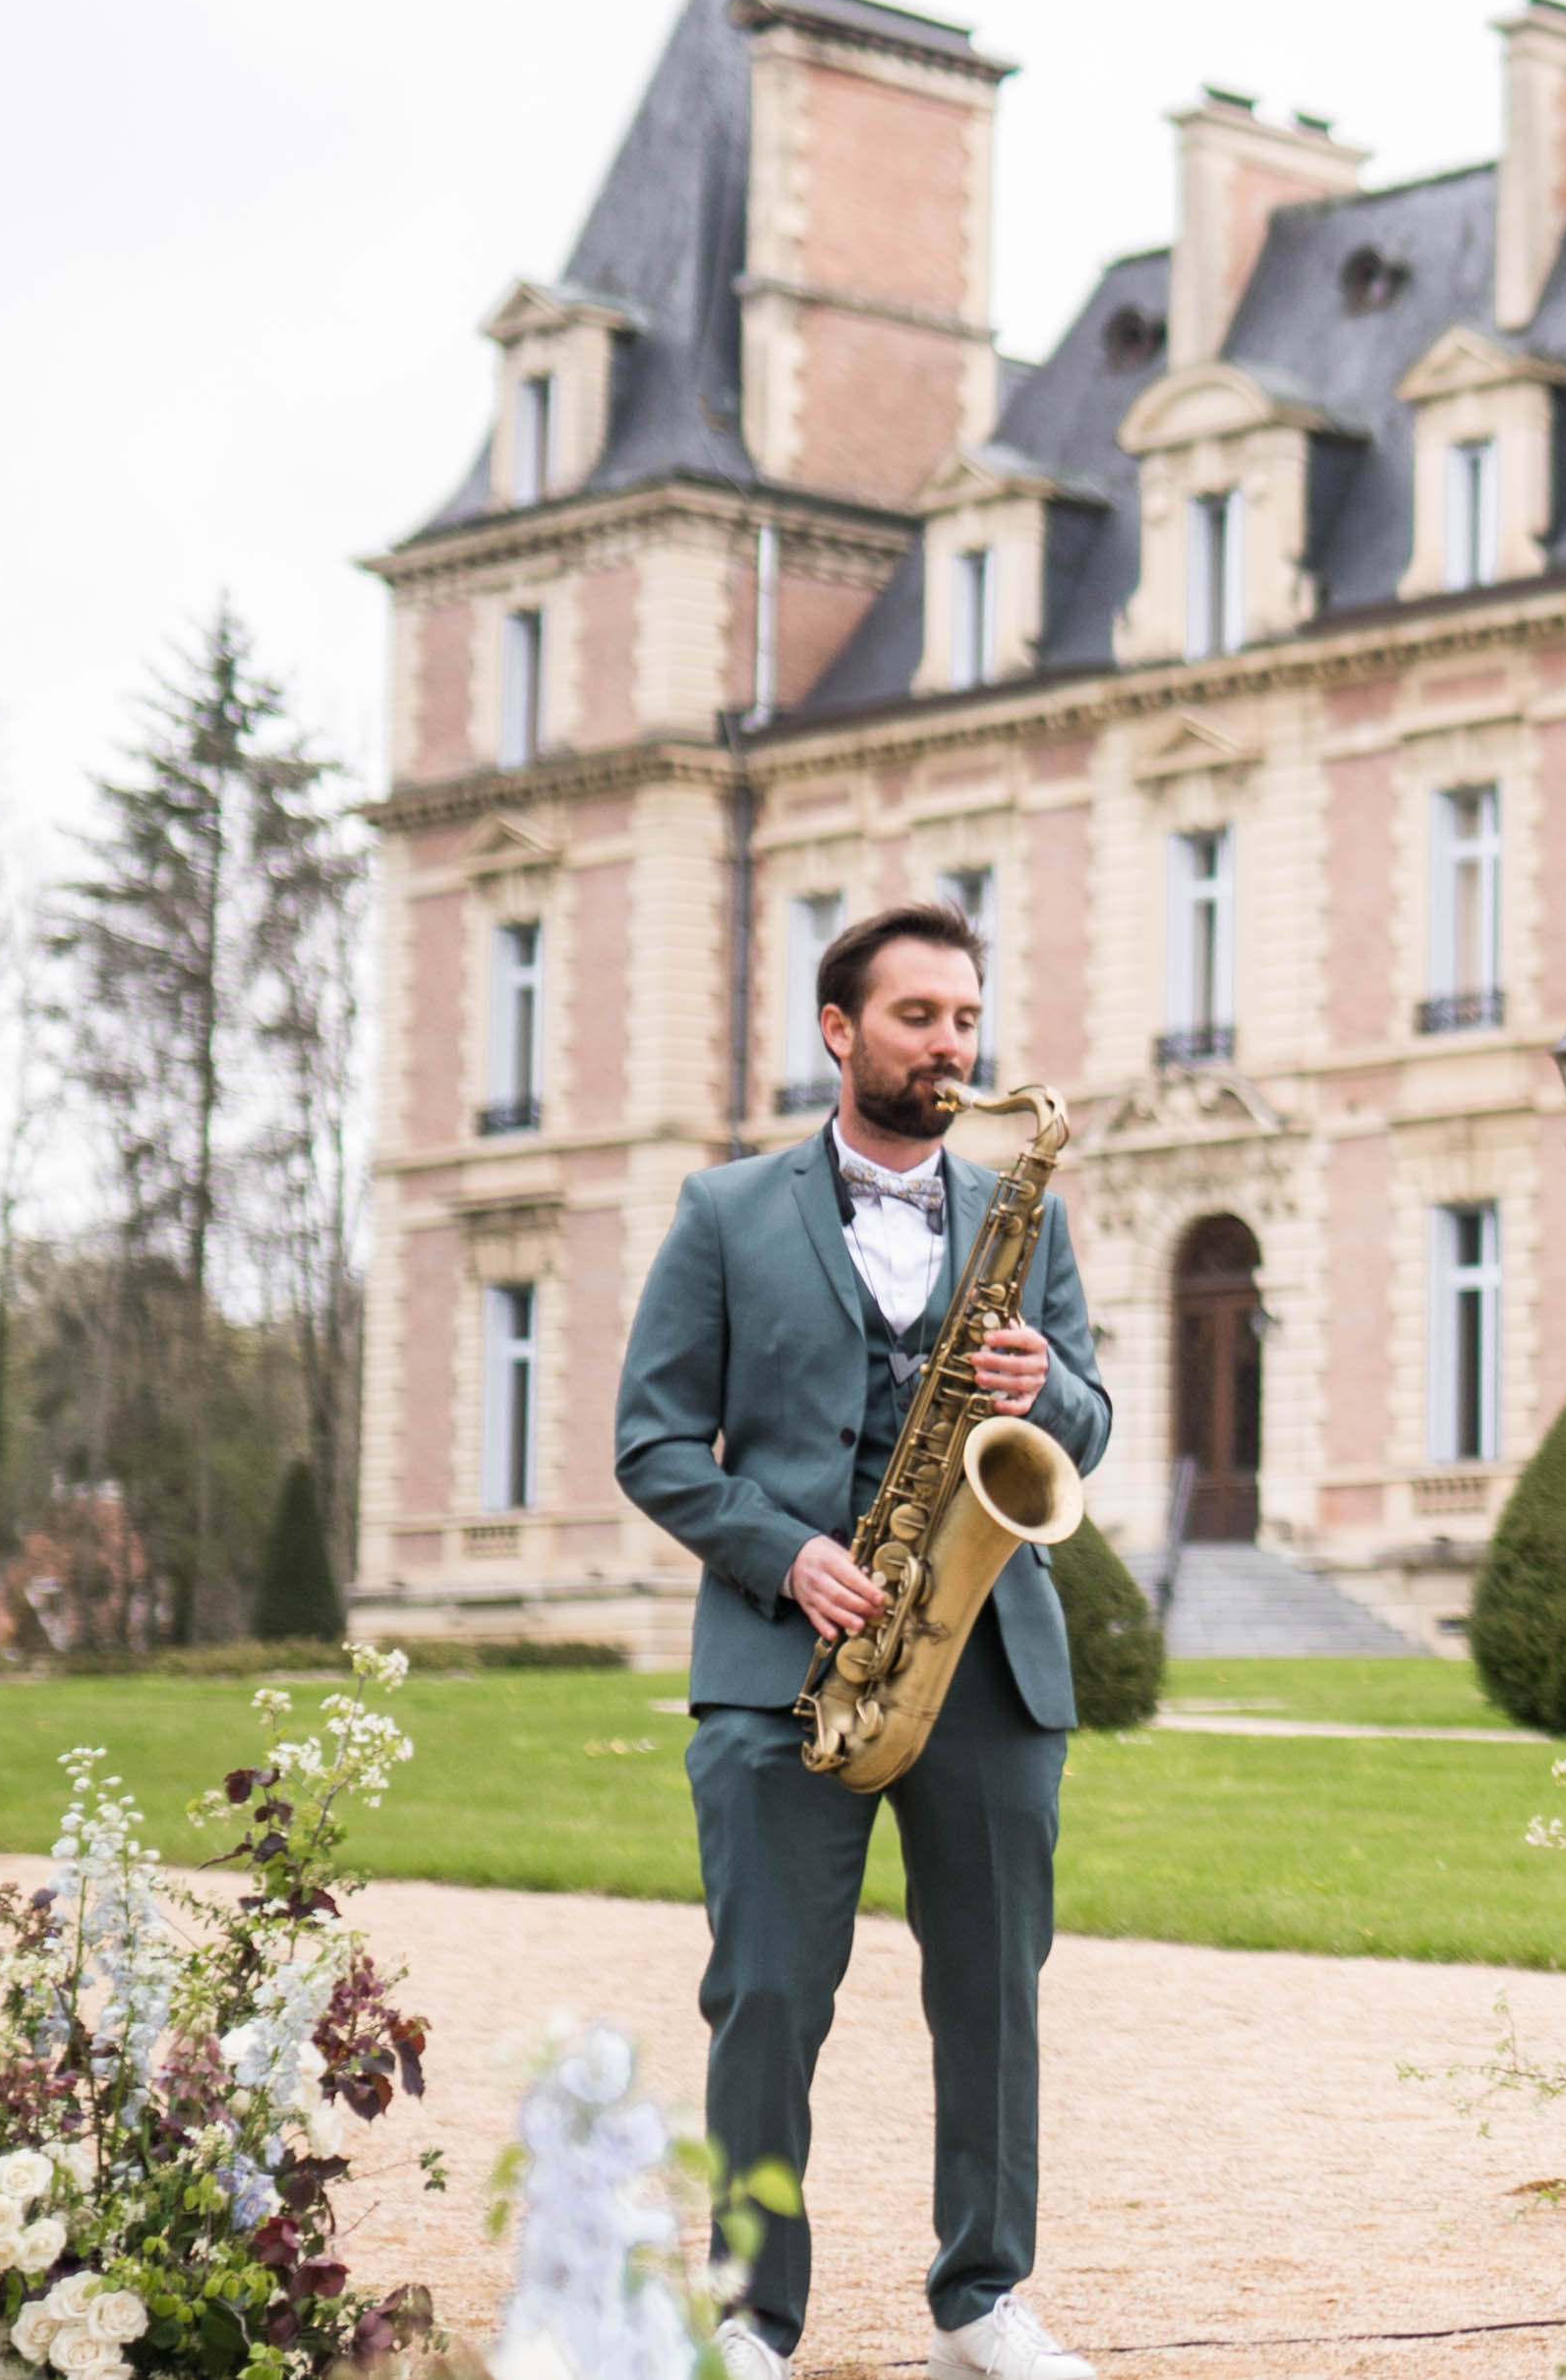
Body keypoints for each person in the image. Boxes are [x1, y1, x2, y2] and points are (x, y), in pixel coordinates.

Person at [612, 900, 1112, 2380]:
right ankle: (753, 2311)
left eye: (965, 1016)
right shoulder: (721, 1212)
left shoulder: (1028, 1212)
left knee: (990, 1990)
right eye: (918, 1017)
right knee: (765, 1990)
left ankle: (982, 2299)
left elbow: (1085, 1419)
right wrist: (786, 1555)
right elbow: (650, 1439)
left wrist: (1046, 1384)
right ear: (839, 1030)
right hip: (784, 1668)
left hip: (987, 1660)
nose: (950, 1044)